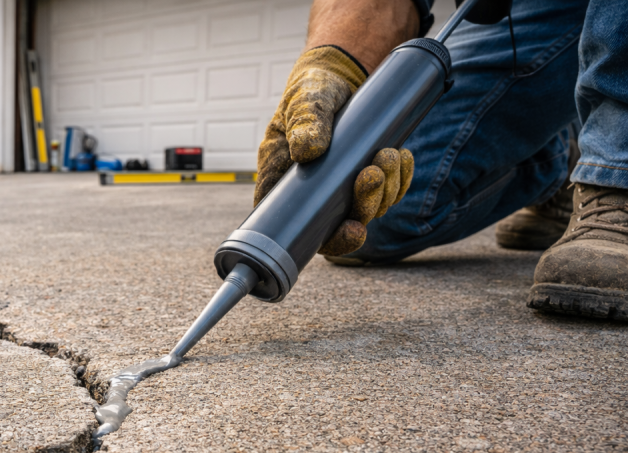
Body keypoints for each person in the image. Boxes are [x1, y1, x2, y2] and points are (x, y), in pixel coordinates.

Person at [255, 0, 627, 321]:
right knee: (363, 213)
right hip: (540, 11)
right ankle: (562, 159)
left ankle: (612, 169)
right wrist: (335, 60)